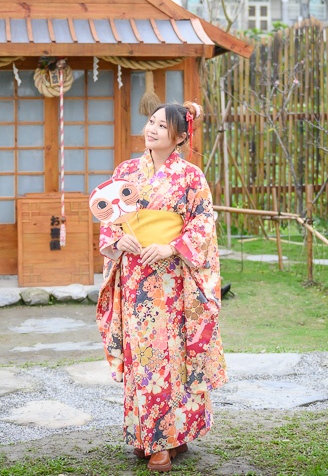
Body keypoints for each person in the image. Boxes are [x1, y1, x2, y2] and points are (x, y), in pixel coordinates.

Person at [96, 100, 227, 473]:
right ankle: (148, 435)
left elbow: (203, 223)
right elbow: (109, 215)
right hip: (135, 275)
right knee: (142, 357)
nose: (151, 129)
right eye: (150, 122)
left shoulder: (190, 177)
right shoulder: (126, 171)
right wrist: (118, 241)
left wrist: (171, 246)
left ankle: (166, 440)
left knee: (170, 355)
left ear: (180, 137)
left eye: (162, 127)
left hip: (173, 280)